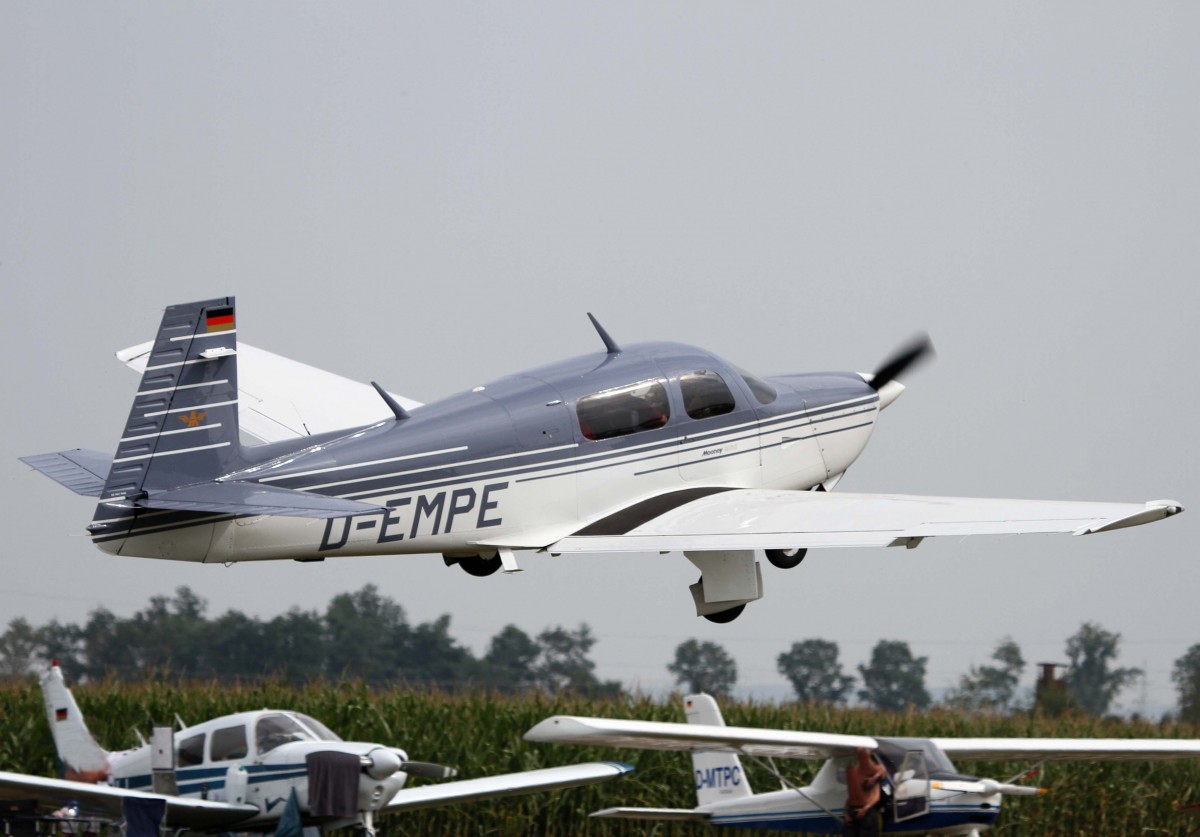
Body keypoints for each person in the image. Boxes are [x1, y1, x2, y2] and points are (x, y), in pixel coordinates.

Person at [843, 747, 886, 836]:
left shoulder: (873, 771)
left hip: (866, 811)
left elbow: (876, 796)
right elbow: (850, 796)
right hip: (852, 810)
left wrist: (865, 809)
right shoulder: (851, 769)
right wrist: (846, 812)